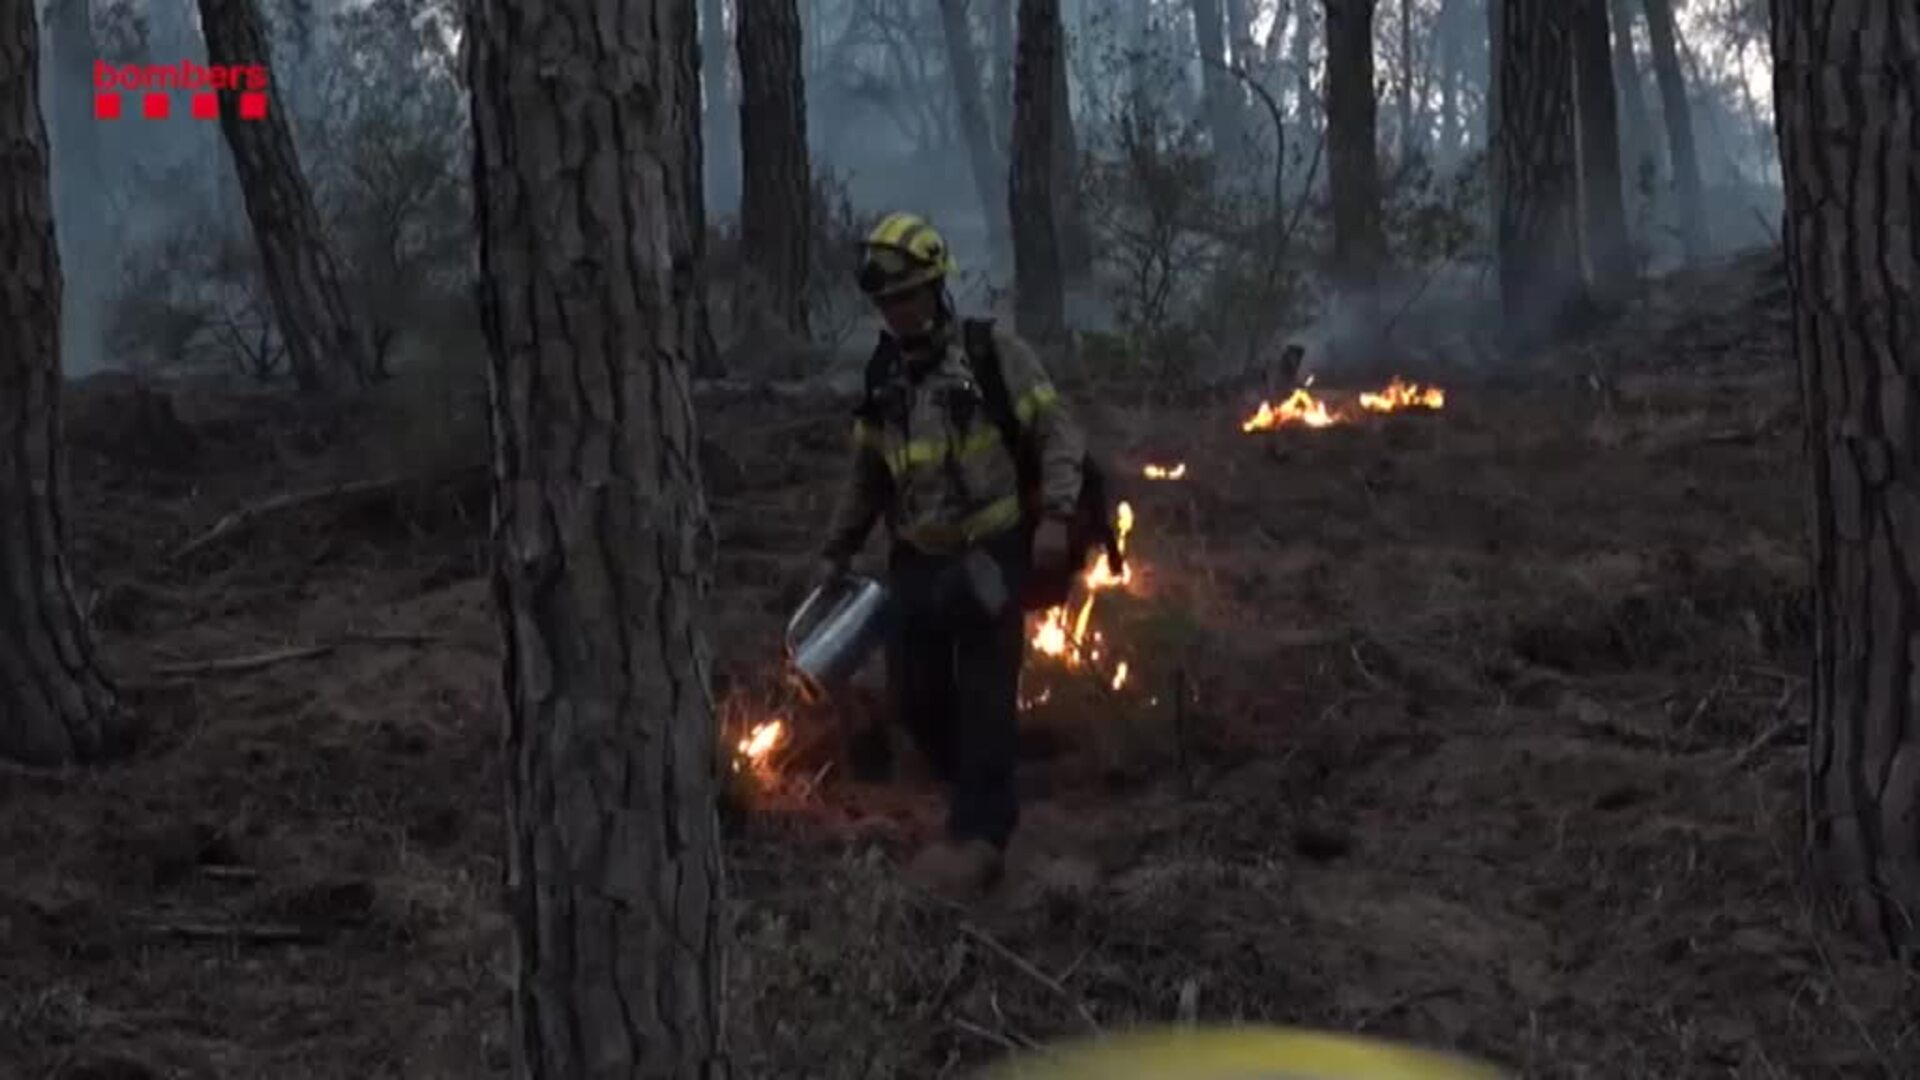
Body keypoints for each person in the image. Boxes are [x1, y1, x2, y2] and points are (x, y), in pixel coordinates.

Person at [813, 211, 1087, 896]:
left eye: (905, 296)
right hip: (916, 562)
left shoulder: (994, 355)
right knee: (917, 700)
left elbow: (1057, 432)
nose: (895, 312)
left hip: (991, 554)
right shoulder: (884, 378)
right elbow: (867, 475)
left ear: (935, 289)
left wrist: (1055, 516)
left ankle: (981, 838)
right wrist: (836, 551)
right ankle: (976, 787)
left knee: (987, 697)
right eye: (884, 301)